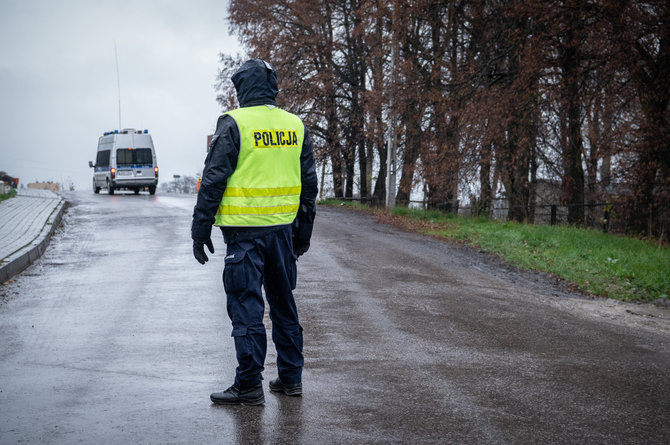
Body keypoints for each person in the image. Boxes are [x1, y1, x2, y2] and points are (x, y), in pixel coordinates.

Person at [191, 59, 318, 406]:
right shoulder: (295, 126)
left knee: (246, 308)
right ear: (272, 87)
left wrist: (200, 229)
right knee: (283, 305)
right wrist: (303, 233)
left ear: (242, 88)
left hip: (244, 237)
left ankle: (249, 385)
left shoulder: (234, 123)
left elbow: (214, 179)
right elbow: (309, 185)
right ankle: (291, 378)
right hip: (282, 235)